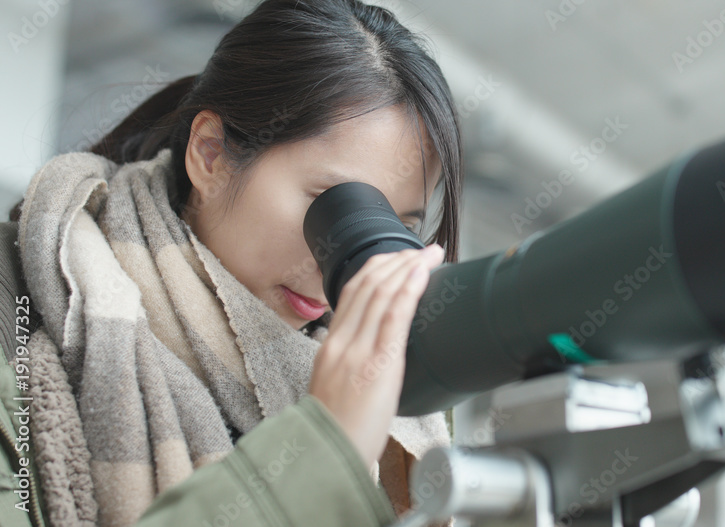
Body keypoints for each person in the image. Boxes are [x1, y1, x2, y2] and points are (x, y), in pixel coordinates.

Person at [0, 0, 463, 525]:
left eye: (397, 226)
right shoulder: (16, 308)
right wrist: (327, 441)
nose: (339, 262)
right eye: (336, 206)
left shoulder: (402, 416)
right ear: (211, 153)